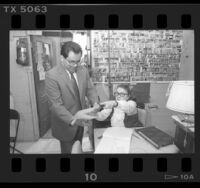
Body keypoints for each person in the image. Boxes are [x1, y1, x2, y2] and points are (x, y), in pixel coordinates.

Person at [45, 41, 99, 153]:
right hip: (66, 124)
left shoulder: (83, 70)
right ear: (61, 58)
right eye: (71, 62)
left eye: (78, 62)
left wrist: (95, 103)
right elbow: (56, 105)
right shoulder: (52, 75)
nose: (75, 65)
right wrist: (74, 120)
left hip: (81, 122)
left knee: (78, 147)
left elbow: (90, 89)